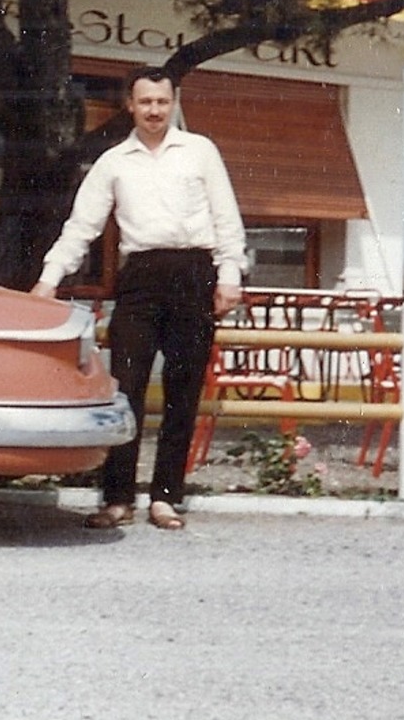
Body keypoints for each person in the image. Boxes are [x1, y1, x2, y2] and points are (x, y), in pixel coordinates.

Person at [30, 67, 246, 531]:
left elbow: (227, 219)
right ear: (130, 104)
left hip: (194, 274)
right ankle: (117, 498)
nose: (154, 111)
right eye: (145, 102)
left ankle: (167, 497)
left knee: (182, 392)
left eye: (162, 102)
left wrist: (229, 275)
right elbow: (81, 226)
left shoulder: (200, 151)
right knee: (124, 390)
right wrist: (49, 278)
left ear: (174, 101)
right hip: (140, 279)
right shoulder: (114, 161)